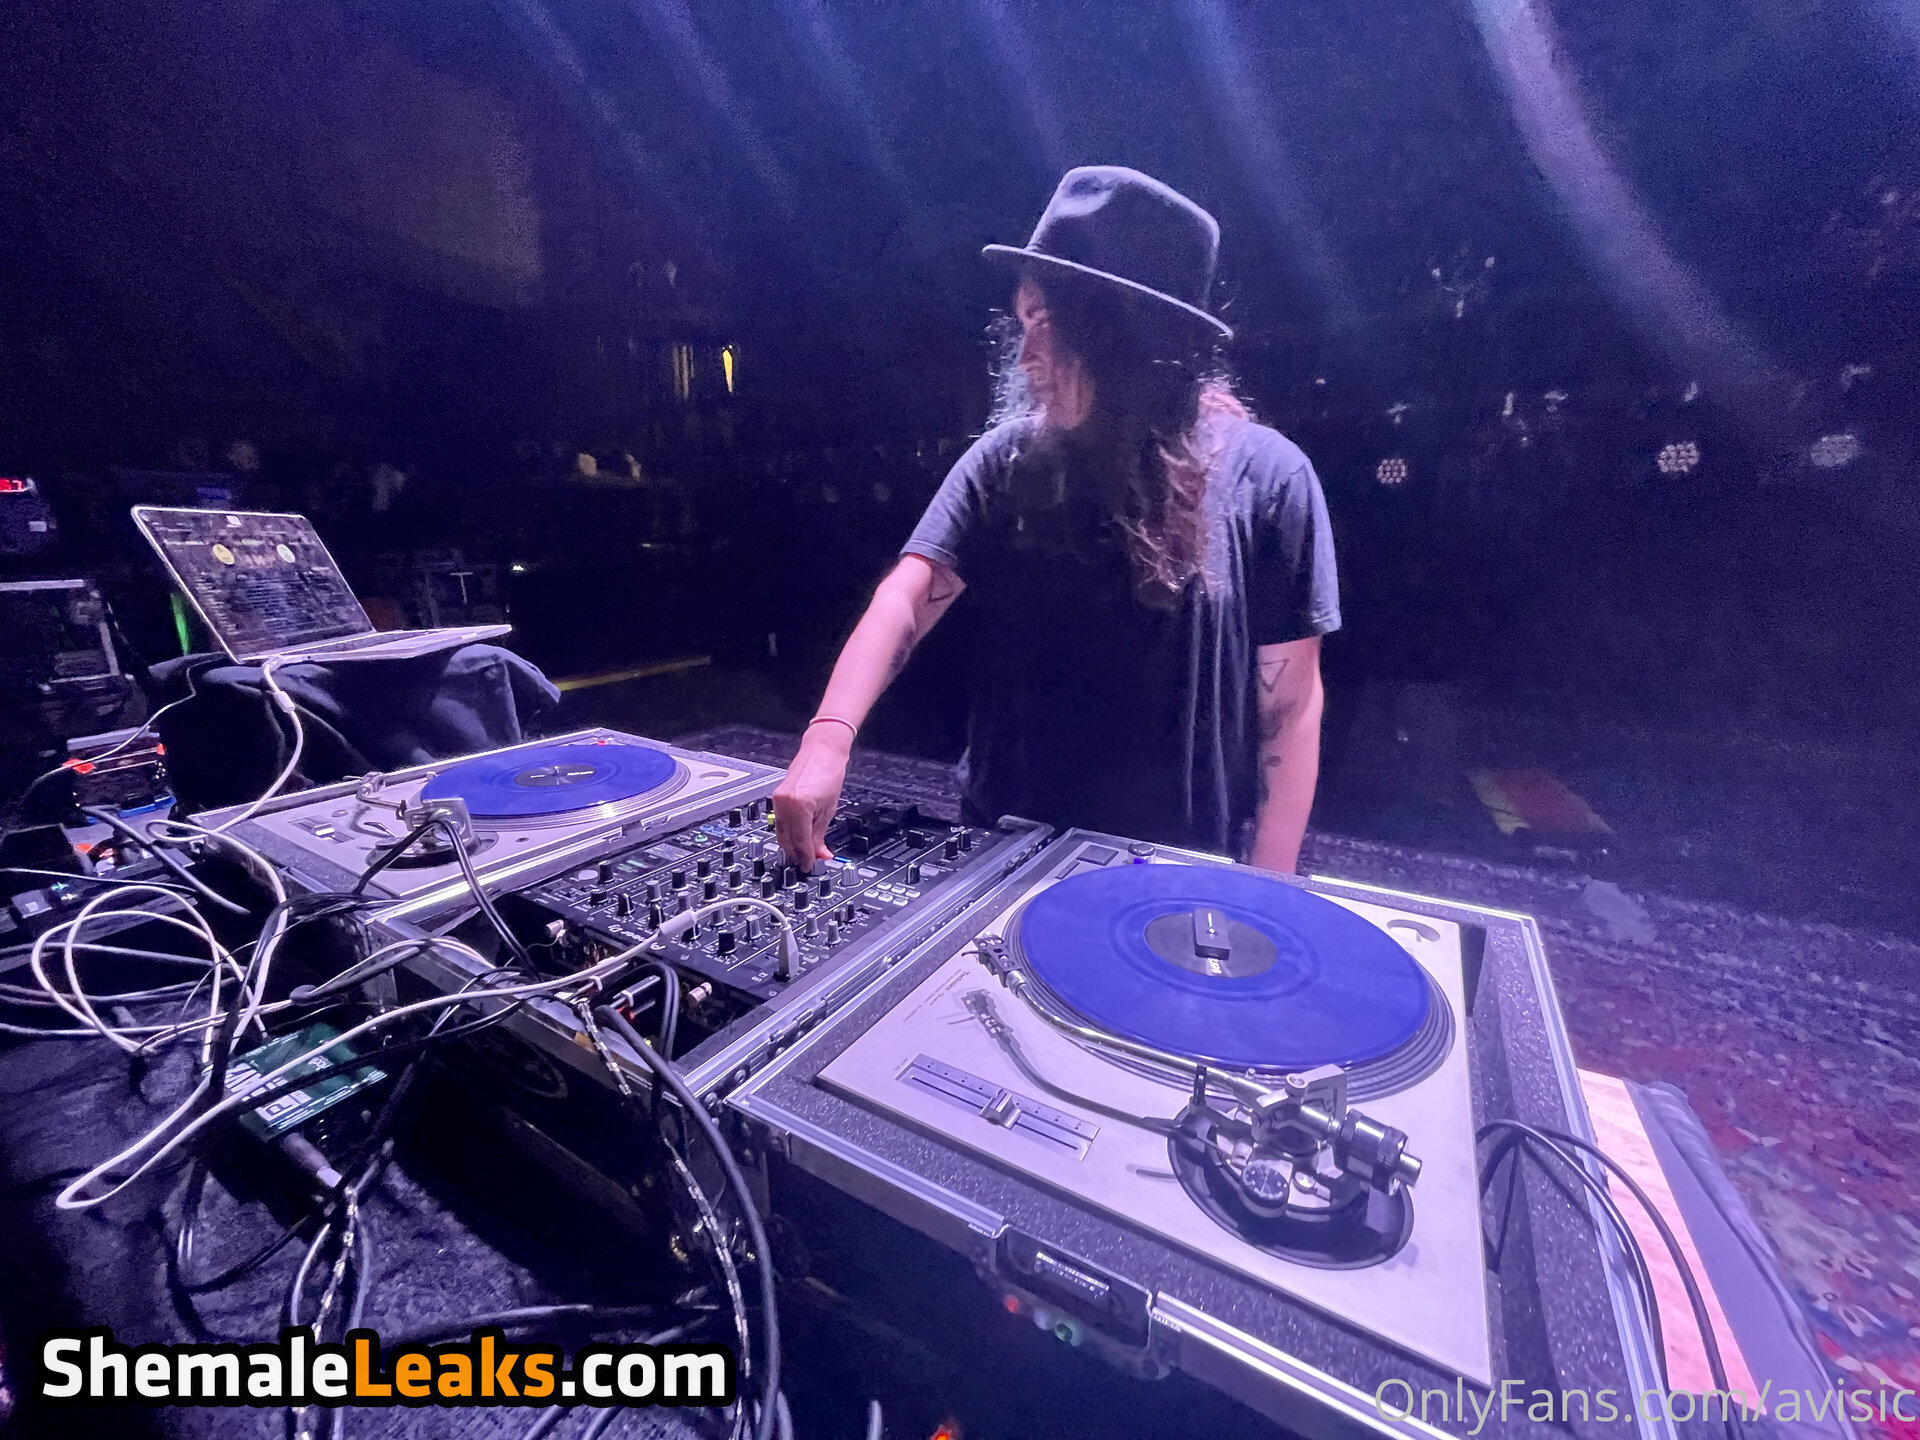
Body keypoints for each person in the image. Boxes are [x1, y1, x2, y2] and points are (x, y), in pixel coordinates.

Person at [774, 167, 1339, 874]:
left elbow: (1289, 705)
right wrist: (827, 738)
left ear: (1118, 335)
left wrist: (1270, 883)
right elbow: (907, 596)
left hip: (1177, 874)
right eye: (1023, 321)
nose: (1026, 352)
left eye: (1045, 322)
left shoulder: (1272, 477)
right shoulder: (1006, 460)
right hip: (1005, 854)